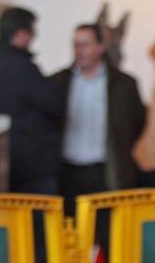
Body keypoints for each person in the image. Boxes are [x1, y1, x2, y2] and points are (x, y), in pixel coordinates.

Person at [49, 23, 147, 210]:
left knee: (107, 229)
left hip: (106, 171)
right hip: (68, 172)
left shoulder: (124, 84)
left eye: (85, 45)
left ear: (101, 47)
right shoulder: (58, 81)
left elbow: (137, 122)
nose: (79, 51)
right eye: (75, 45)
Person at [0, 7, 65, 195]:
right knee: (40, 222)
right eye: (33, 32)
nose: (33, 38)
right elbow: (55, 104)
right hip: (32, 166)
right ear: (21, 33)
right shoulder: (22, 68)